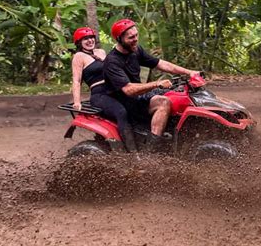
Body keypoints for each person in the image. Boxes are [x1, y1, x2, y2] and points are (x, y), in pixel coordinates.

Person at [103, 19, 199, 152]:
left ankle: (172, 135)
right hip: (126, 102)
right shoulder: (112, 61)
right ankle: (152, 151)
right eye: (131, 37)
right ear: (119, 39)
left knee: (176, 93)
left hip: (139, 96)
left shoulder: (135, 50)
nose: (136, 39)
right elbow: (129, 90)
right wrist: (157, 83)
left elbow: (160, 63)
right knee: (163, 102)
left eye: (136, 35)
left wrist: (189, 72)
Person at [71, 26, 137, 152]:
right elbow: (76, 80)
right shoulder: (79, 56)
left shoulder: (101, 52)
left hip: (115, 90)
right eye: (85, 39)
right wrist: (77, 102)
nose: (90, 40)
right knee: (120, 112)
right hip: (100, 94)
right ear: (79, 42)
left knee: (139, 106)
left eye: (91, 37)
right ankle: (132, 153)